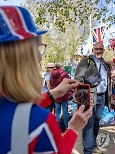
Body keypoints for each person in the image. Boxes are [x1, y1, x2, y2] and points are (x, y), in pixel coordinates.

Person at [0, 5, 92, 154]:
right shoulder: (39, 123)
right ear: (22, 55)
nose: (40, 56)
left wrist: (52, 94)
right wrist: (74, 128)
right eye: (38, 46)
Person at [75, 42, 111, 154]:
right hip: (89, 97)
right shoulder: (86, 61)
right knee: (88, 124)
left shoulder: (104, 63)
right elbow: (78, 79)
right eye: (96, 49)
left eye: (101, 49)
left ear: (103, 50)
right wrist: (83, 100)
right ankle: (88, 150)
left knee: (97, 121)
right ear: (93, 50)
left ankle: (93, 144)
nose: (99, 51)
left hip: (101, 97)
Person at [50, 62, 72, 131]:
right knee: (65, 112)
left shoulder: (52, 74)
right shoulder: (64, 74)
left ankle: (56, 128)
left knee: (57, 113)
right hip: (64, 95)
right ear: (61, 66)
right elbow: (70, 81)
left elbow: (50, 83)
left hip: (56, 96)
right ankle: (66, 128)